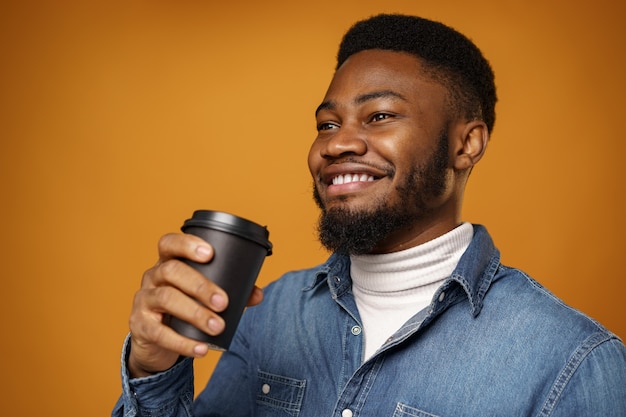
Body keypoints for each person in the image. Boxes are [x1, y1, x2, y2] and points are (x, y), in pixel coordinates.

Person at [113, 14, 626, 417]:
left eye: (379, 116)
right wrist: (152, 368)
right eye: (327, 123)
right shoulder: (269, 313)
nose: (337, 142)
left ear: (466, 144)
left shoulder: (574, 361)